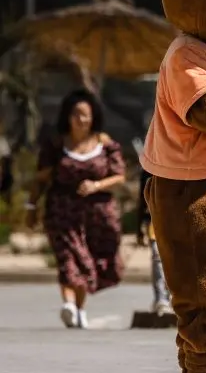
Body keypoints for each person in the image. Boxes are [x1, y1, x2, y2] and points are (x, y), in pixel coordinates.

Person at [26, 89, 126, 329]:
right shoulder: (57, 145)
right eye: (76, 115)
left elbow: (119, 176)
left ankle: (79, 308)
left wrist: (96, 185)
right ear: (67, 117)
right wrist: (31, 205)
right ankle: (68, 304)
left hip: (97, 212)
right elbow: (40, 179)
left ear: (94, 117)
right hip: (62, 210)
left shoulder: (105, 143)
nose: (81, 120)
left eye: (86, 115)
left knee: (88, 260)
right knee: (68, 257)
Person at [135, 168, 174, 316]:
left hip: (178, 218)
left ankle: (174, 296)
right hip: (154, 218)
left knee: (176, 259)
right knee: (158, 257)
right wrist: (139, 228)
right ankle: (160, 299)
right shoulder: (148, 169)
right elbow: (141, 198)